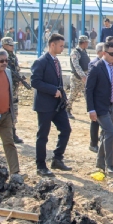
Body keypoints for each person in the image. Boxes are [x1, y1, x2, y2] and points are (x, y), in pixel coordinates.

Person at [30, 33, 72, 177]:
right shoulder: (41, 61)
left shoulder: (56, 61)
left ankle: (57, 159)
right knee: (43, 136)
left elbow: (58, 81)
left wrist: (62, 96)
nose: (63, 48)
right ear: (52, 45)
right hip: (44, 105)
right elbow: (35, 81)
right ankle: (41, 166)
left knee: (66, 130)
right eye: (61, 45)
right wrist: (52, 90)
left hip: (57, 105)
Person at [86, 42, 113, 173]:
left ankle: (100, 164)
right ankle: (109, 165)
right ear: (104, 53)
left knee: (106, 134)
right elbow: (88, 90)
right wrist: (91, 109)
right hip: (101, 108)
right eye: (111, 54)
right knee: (110, 132)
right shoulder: (96, 68)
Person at [1, 37, 24, 143]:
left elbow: (16, 69)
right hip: (4, 88)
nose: (13, 47)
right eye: (10, 45)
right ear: (4, 45)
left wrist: (19, 79)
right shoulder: (0, 56)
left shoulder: (13, 56)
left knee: (14, 109)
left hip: (13, 88)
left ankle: (12, 132)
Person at [87, 43, 105, 152]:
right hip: (95, 97)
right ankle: (93, 144)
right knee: (95, 121)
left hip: (104, 97)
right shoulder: (94, 64)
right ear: (99, 52)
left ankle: (101, 141)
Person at [67, 36, 89, 119]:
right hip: (77, 78)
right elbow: (76, 66)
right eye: (87, 42)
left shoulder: (84, 51)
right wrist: (82, 75)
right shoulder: (75, 52)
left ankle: (91, 109)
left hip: (85, 77)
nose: (87, 44)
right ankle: (67, 109)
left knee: (87, 93)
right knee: (73, 94)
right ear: (83, 43)